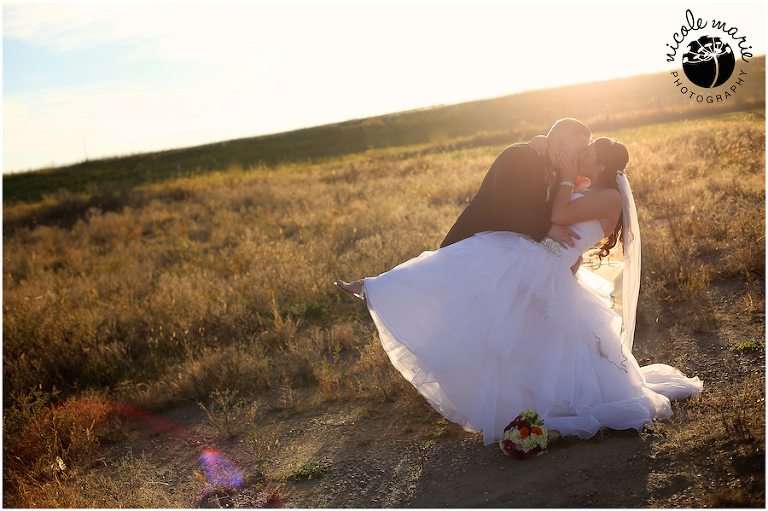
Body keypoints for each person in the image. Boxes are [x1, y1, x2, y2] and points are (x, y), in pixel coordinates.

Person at [336, 136, 702, 445]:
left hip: (544, 267)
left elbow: (558, 214)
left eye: (587, 155)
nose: (580, 157)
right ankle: (378, 289)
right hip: (537, 258)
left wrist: (561, 176)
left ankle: (536, 406)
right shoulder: (591, 188)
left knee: (518, 333)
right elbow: (555, 212)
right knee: (460, 269)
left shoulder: (610, 198)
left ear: (602, 165)